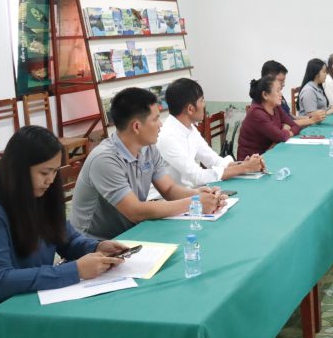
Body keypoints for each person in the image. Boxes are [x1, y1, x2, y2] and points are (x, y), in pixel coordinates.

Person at [0, 126, 129, 338]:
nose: (50, 180)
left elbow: (67, 239)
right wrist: (74, 270)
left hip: (28, 303)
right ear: (18, 170)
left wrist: (95, 247)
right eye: (44, 172)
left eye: (54, 171)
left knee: (96, 322)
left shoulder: (38, 195)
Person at [70, 88, 227, 240]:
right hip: (95, 243)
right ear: (137, 126)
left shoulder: (148, 149)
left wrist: (198, 194)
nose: (160, 125)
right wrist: (194, 203)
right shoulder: (104, 160)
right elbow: (135, 211)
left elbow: (168, 189)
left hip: (131, 231)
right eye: (155, 119)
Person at [157, 78, 265, 188]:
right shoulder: (168, 137)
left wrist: (245, 164)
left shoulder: (190, 128)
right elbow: (197, 176)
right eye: (202, 101)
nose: (204, 105)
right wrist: (244, 168)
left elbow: (214, 161)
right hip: (178, 196)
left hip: (192, 191)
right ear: (190, 109)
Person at [238, 75, 305, 159]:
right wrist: (285, 130)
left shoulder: (276, 107)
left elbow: (295, 126)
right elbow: (281, 137)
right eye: (277, 91)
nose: (281, 94)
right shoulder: (256, 113)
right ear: (265, 95)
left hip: (271, 151)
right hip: (251, 160)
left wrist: (283, 133)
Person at [261, 60, 326, 128]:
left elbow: (290, 117)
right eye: (280, 81)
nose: (283, 84)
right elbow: (284, 125)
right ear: (268, 79)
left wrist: (312, 118)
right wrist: (312, 120)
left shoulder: (278, 96)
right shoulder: (266, 102)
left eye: (284, 81)